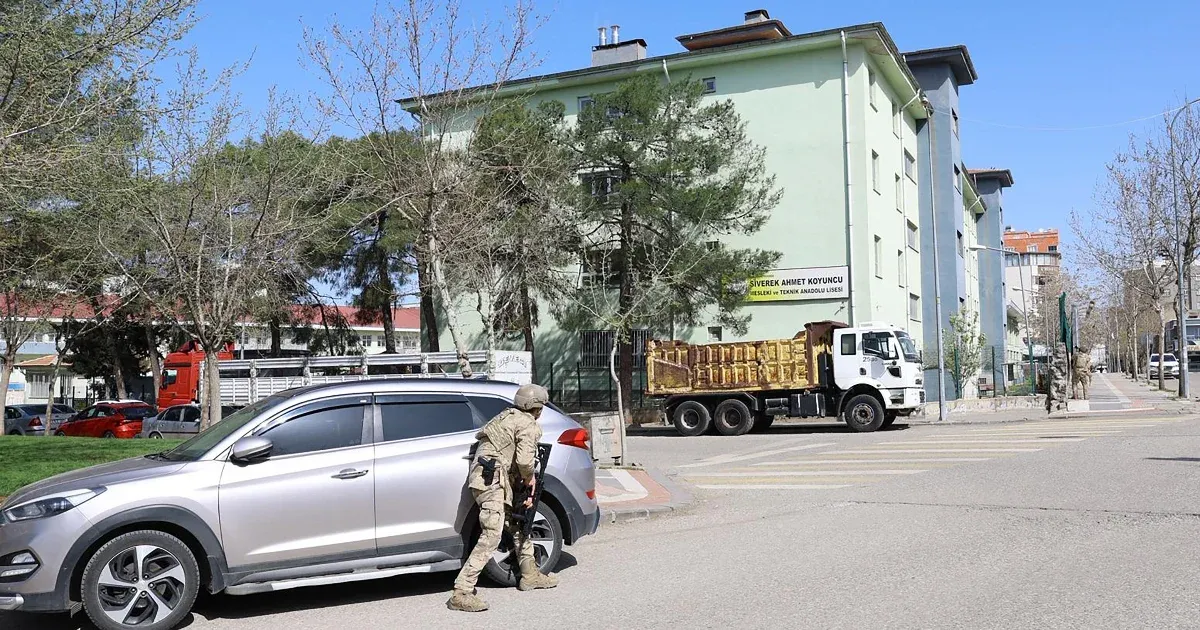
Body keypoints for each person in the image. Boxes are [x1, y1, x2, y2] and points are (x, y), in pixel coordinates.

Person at [447, 383, 558, 612]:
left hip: (489, 478)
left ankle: (529, 574)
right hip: (493, 481)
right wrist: (530, 481)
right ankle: (462, 591)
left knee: (517, 524)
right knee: (492, 535)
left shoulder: (505, 416)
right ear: (537, 408)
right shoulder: (527, 424)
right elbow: (526, 462)